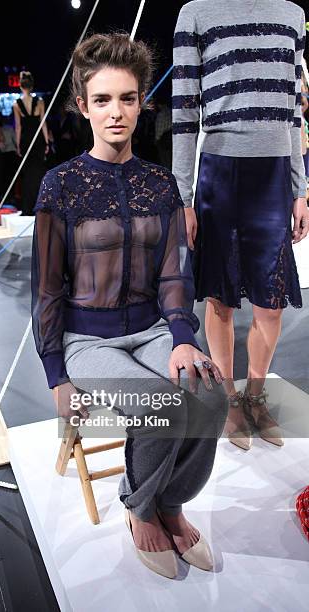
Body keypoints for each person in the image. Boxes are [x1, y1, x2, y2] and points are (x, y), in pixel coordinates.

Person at [31, 32, 227, 579]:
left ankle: (170, 503)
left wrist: (185, 338)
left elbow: (173, 276)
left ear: (143, 102)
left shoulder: (161, 185)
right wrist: (56, 377)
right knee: (160, 405)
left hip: (152, 329)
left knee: (209, 395)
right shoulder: (60, 186)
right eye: (102, 100)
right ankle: (139, 507)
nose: (115, 112)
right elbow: (46, 289)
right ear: (81, 105)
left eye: (127, 98)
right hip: (86, 340)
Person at [172, 0, 309, 450]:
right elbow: (184, 110)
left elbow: (293, 109)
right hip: (220, 175)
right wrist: (184, 194)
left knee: (271, 304)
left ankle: (255, 394)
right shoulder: (196, 12)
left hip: (272, 178)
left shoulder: (291, 13)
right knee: (220, 299)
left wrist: (300, 187)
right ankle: (228, 399)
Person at [13, 71, 49, 215]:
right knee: (39, 173)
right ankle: (41, 204)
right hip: (38, 138)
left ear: (21, 86)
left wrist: (17, 145)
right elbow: (43, 123)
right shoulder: (40, 101)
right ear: (32, 85)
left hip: (26, 140)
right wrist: (46, 142)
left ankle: (28, 207)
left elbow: (18, 127)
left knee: (28, 175)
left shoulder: (16, 104)